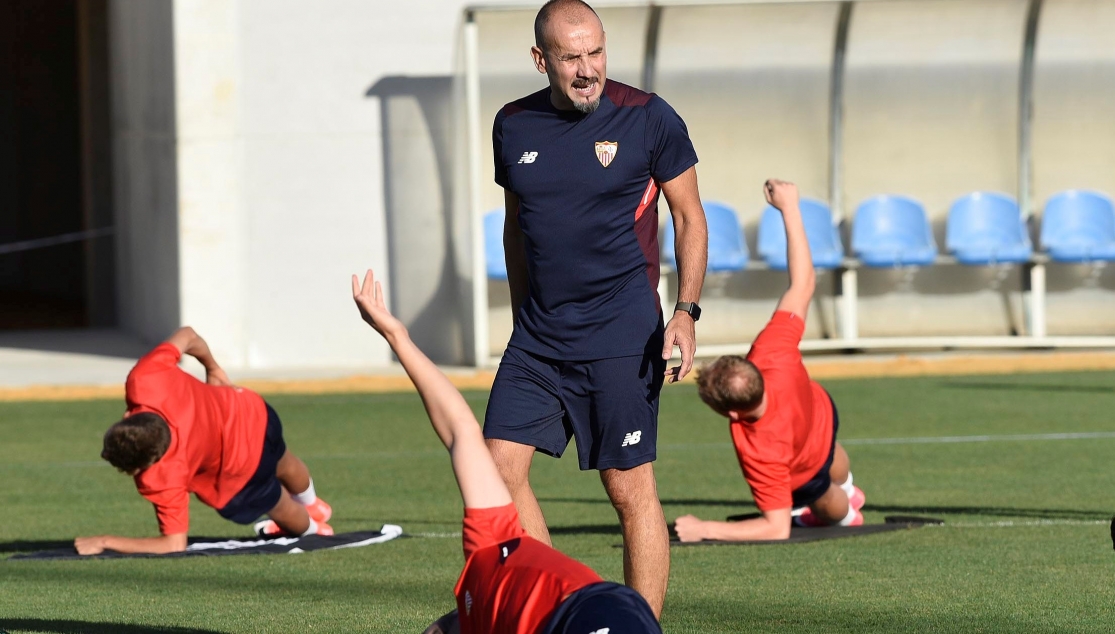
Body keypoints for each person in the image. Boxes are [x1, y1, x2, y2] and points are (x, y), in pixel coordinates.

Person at [487, 0, 708, 614]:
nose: (588, 69)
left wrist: (686, 312)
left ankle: (640, 628)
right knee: (494, 473)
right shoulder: (511, 125)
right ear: (541, 59)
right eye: (570, 57)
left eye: (596, 53)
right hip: (537, 337)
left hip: (621, 332)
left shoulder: (649, 118)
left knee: (628, 489)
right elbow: (516, 230)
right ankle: (560, 613)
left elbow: (690, 218)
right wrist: (520, 317)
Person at [350, 270, 661, 634]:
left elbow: (459, 431)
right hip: (603, 606)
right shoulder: (491, 539)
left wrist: (398, 338)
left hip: (585, 613)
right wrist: (397, 338)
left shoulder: (490, 540)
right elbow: (459, 429)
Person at [673, 180, 866, 543]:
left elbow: (776, 527)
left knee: (830, 505)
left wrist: (703, 529)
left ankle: (847, 509)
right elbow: (803, 284)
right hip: (822, 414)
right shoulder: (771, 351)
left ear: (731, 414)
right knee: (831, 453)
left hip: (804, 468)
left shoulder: (759, 447)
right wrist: (790, 208)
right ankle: (850, 484)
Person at [73, 327, 332, 555]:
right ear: (129, 416)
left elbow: (173, 544)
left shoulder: (160, 476)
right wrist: (212, 366)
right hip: (251, 411)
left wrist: (104, 540)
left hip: (240, 472)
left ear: (141, 466)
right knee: (285, 462)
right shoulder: (145, 379)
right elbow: (188, 335)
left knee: (281, 505)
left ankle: (314, 530)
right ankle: (313, 504)